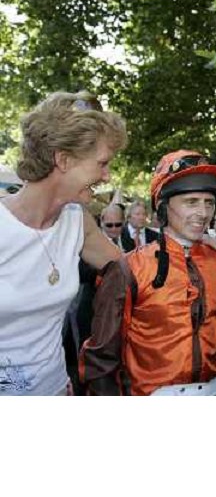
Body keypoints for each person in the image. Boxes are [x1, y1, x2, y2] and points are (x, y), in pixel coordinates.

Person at [79, 149, 216, 395]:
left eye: (209, 202)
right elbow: (101, 359)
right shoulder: (129, 269)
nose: (203, 213)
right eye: (191, 202)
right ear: (162, 207)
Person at [0, 91, 128, 396]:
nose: (107, 176)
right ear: (64, 159)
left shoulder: (77, 219)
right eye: (102, 163)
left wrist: (186, 252)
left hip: (57, 389)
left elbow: (130, 269)